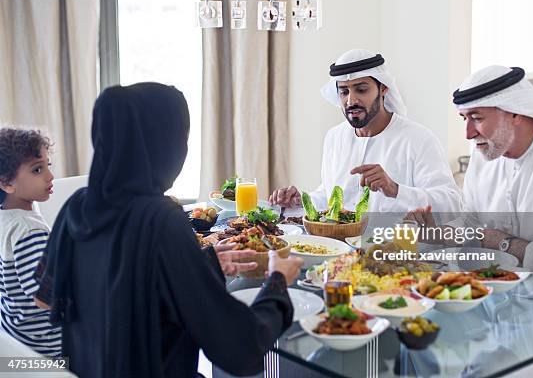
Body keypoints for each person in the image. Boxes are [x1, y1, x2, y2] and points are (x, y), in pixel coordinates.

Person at [37, 83, 304, 377]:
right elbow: (238, 347)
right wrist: (278, 282)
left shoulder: (76, 207)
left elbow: (50, 297)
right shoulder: (161, 219)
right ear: (164, 144)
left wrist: (202, 264)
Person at [408, 65, 533, 375]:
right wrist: (437, 234)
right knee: (416, 333)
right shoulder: (485, 153)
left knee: (487, 370)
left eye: (477, 118)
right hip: (503, 294)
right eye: (465, 119)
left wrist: (499, 241)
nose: (467, 133)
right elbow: (472, 222)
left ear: (515, 112)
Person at [270, 49, 461, 213]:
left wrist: (395, 189)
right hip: (340, 251)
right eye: (344, 92)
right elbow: (330, 195)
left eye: (361, 89)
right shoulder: (334, 137)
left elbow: (452, 203)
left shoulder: (418, 139)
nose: (351, 101)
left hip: (396, 250)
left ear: (383, 88)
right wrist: (300, 200)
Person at [0, 128, 61, 356]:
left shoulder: (6, 218)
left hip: (15, 339)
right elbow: (45, 297)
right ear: (6, 183)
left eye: (48, 166)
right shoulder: (29, 230)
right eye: (37, 169)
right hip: (46, 350)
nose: (50, 176)